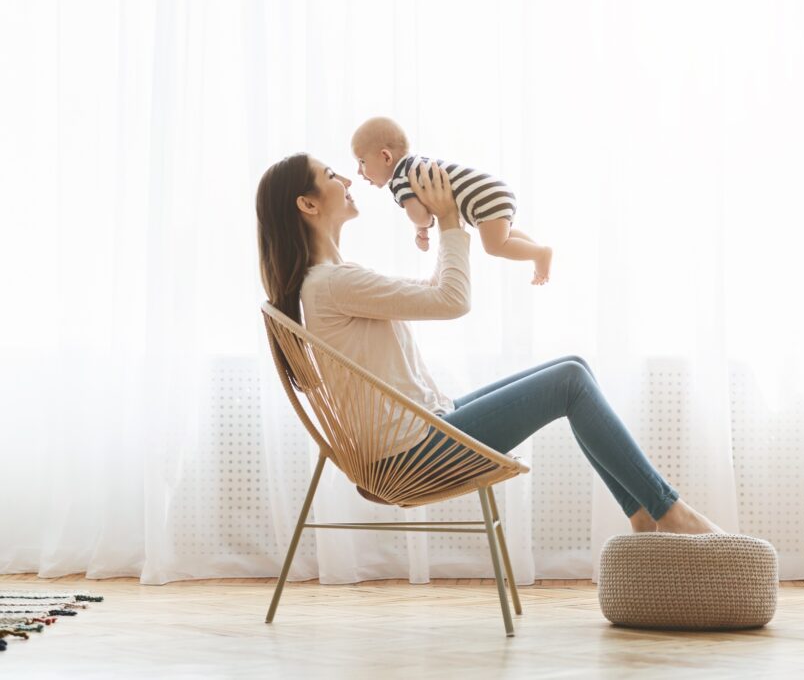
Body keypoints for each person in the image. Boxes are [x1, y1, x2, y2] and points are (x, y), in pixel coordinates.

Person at [255, 152, 721, 534]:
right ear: (308, 205)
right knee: (571, 381)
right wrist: (450, 218)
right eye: (330, 175)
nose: (345, 178)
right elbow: (452, 300)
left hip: (424, 429)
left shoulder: (331, 282)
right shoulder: (332, 284)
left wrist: (445, 222)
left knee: (574, 365)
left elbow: (433, 293)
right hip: (412, 454)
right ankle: (670, 512)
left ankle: (643, 516)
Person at [350, 116, 553, 285]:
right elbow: (422, 205)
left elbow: (419, 214)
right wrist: (421, 226)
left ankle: (540, 253)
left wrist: (423, 225)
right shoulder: (414, 165)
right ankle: (539, 252)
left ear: (386, 157)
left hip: (484, 198)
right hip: (493, 191)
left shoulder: (400, 179)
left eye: (362, 162)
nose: (359, 171)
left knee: (494, 246)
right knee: (504, 237)